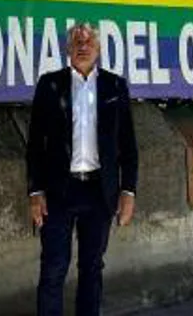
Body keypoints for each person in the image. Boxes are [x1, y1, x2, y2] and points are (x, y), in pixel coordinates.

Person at [26, 21, 138, 316]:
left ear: (99, 49)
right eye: (77, 41)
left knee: (92, 267)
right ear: (67, 50)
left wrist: (128, 191)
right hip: (59, 191)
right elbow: (36, 143)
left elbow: (128, 144)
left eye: (89, 42)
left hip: (100, 192)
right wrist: (35, 191)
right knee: (53, 267)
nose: (83, 45)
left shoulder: (115, 86)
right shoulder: (50, 85)